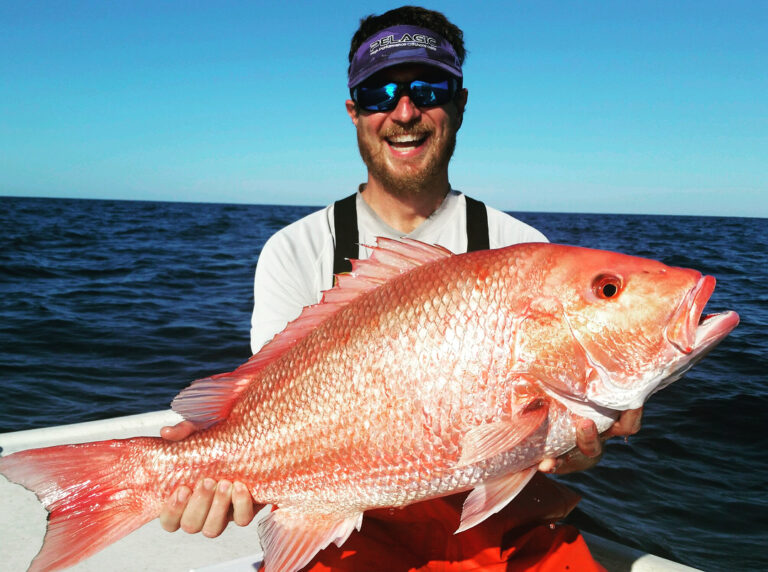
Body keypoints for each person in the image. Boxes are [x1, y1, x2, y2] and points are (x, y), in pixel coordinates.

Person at [159, 6, 643, 569]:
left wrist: (573, 448)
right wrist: (205, 467)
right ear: (353, 111)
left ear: (460, 104)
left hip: (500, 526)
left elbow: (543, 424)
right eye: (378, 93)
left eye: (428, 88)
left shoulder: (520, 244)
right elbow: (263, 407)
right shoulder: (295, 250)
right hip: (354, 526)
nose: (404, 111)